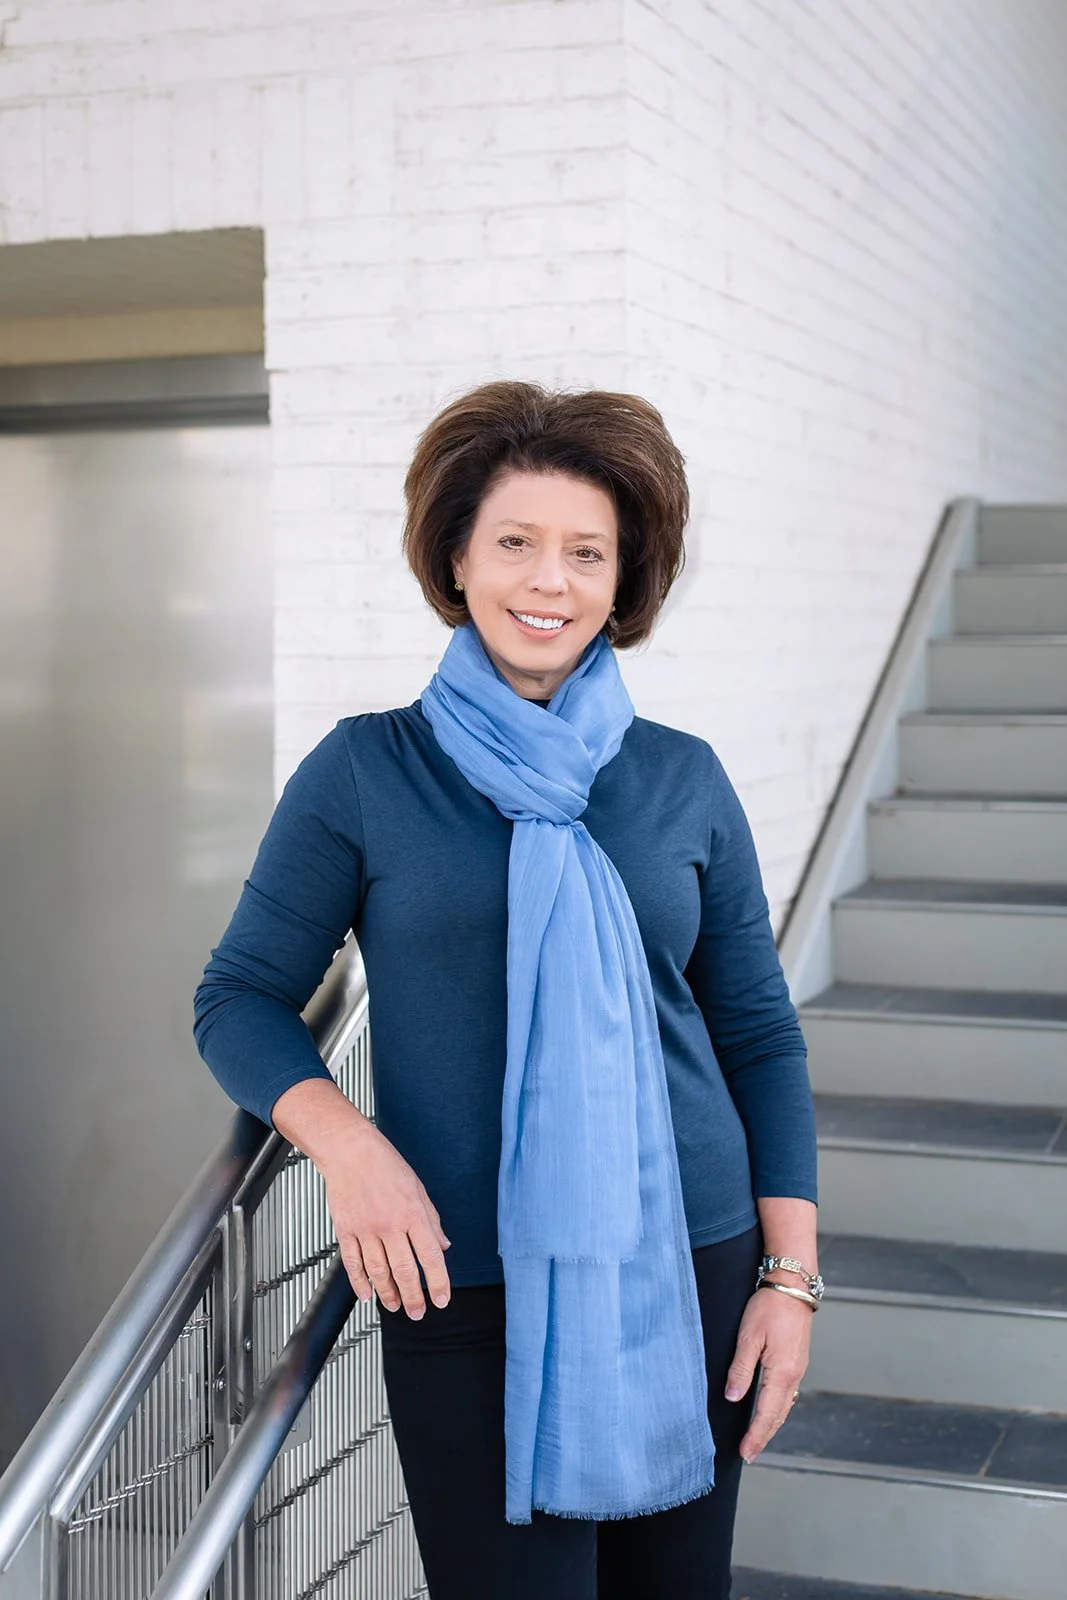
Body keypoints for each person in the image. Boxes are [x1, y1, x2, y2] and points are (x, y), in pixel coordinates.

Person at [193, 381, 820, 1600]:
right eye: (515, 543)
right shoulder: (368, 770)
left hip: (691, 1259)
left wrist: (786, 1280)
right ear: (458, 556)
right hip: (458, 1271)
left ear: (622, 579)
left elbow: (754, 1032)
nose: (549, 581)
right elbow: (241, 995)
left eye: (586, 552)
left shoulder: (678, 777)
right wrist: (349, 1147)